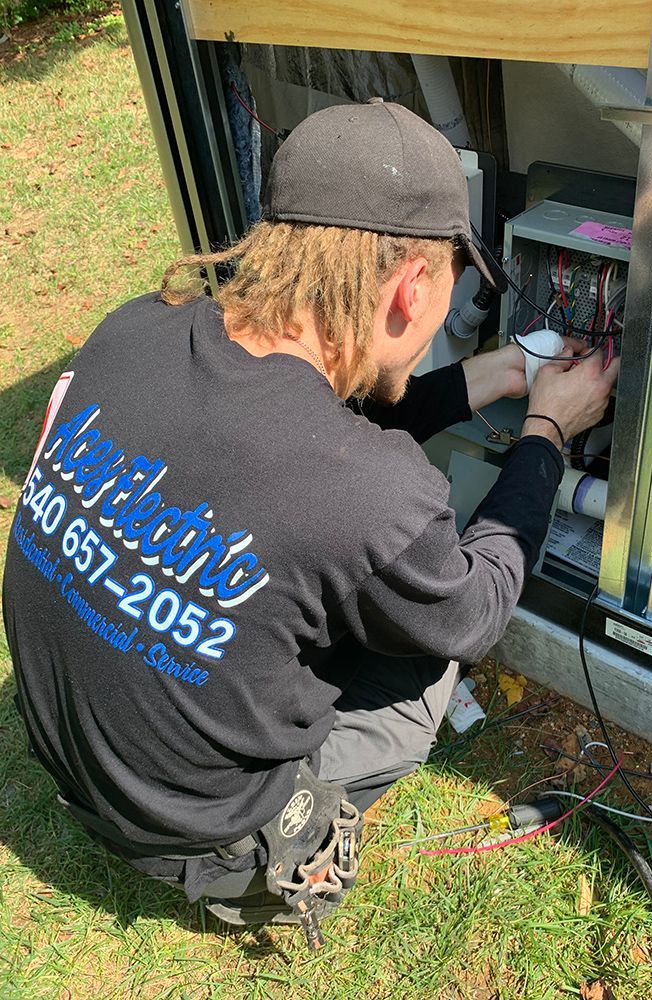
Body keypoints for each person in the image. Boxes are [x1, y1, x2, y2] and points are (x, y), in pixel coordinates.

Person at [2, 100, 617, 942]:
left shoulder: (131, 330)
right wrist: (548, 431)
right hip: (190, 834)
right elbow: (474, 613)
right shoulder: (365, 491)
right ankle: (265, 865)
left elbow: (305, 446)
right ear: (411, 287)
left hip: (76, 758)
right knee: (424, 663)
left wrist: (487, 376)